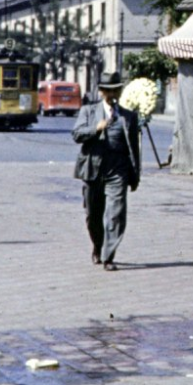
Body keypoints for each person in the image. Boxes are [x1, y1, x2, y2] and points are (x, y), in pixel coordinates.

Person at [72, 73, 141, 271]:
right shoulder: (88, 111)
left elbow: (134, 150)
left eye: (116, 90)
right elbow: (76, 134)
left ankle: (108, 256)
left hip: (117, 170)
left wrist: (135, 175)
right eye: (108, 90)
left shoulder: (128, 116)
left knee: (116, 214)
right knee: (93, 215)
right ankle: (97, 246)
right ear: (101, 92)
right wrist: (96, 128)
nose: (112, 94)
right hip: (93, 169)